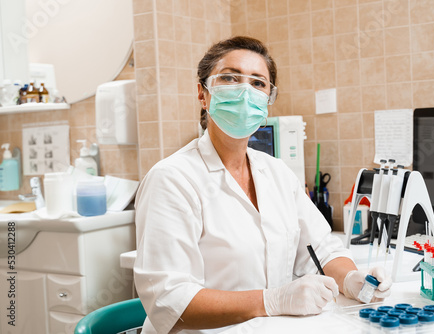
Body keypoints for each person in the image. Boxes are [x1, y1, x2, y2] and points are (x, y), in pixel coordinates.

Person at [134, 36, 392, 334]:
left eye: (258, 83)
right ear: (202, 94)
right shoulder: (172, 179)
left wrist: (351, 279)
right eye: (230, 78)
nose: (245, 90)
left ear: (268, 99)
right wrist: (271, 301)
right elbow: (171, 300)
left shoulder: (277, 173)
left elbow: (321, 248)